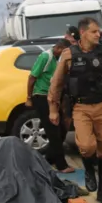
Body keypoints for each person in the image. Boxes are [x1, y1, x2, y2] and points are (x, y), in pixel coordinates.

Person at [48, 17, 102, 203]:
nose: (98, 34)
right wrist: (53, 109)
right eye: (94, 31)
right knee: (86, 146)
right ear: (83, 33)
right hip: (81, 107)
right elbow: (56, 84)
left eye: (99, 32)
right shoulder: (68, 55)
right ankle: (89, 170)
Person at [26, 39, 75, 173]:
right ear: (59, 48)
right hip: (41, 96)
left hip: (53, 97)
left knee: (60, 129)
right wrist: (29, 97)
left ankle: (49, 159)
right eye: (65, 51)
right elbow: (32, 78)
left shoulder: (58, 59)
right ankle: (61, 165)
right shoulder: (45, 57)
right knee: (53, 131)